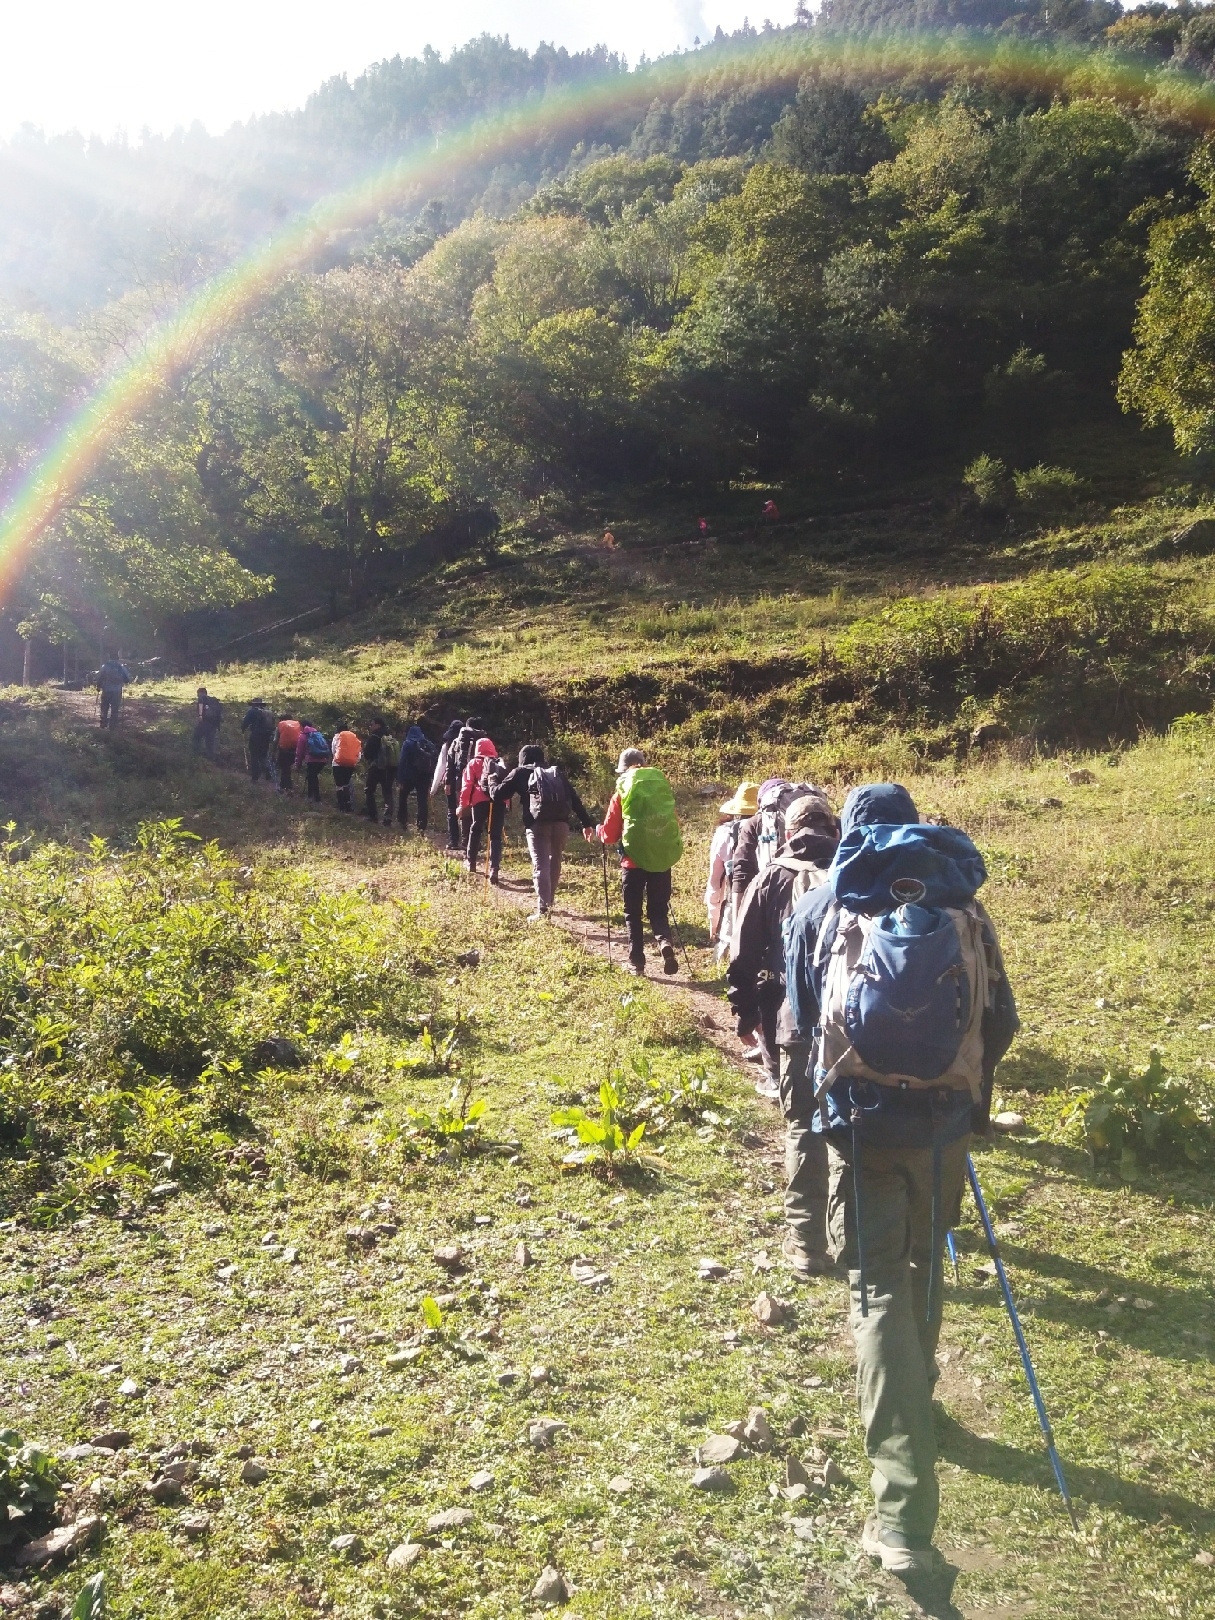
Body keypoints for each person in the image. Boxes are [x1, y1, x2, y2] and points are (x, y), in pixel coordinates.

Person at [783, 783, 1018, 1578]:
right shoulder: (962, 909)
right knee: (924, 1266)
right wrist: (966, 1096)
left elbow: (802, 1013)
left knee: (877, 1285)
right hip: (943, 1130)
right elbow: (1002, 1021)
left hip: (860, 1129)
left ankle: (901, 1520)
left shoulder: (823, 904)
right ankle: (921, 1392)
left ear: (849, 833)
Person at [727, 796, 839, 1267]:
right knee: (848, 1127)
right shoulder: (857, 875)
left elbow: (744, 950)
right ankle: (851, 1231)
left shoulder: (773, 875)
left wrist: (745, 1012)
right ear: (833, 827)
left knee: (801, 1125)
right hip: (852, 1026)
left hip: (791, 1018)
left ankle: (808, 1243)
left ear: (789, 831)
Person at [586, 748, 683, 977]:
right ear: (643, 763)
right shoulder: (659, 785)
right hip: (661, 858)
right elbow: (673, 821)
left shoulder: (622, 789)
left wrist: (598, 831)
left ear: (624, 769)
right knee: (658, 911)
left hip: (632, 862)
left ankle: (636, 962)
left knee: (633, 913)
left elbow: (609, 834)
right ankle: (664, 943)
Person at [491, 744, 594, 920]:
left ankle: (543, 909)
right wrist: (586, 823)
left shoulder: (520, 772)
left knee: (541, 865)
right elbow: (574, 798)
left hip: (537, 824)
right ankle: (549, 902)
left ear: (523, 757)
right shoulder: (555, 772)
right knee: (555, 861)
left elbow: (497, 794)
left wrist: (492, 778)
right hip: (561, 823)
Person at [705, 781, 759, 960]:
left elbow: (716, 879)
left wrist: (714, 921)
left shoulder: (724, 832)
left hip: (733, 898)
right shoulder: (770, 829)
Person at [459, 737, 504, 880]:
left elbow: (466, 786)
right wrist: (506, 802)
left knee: (475, 829)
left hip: (479, 801)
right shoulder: (499, 763)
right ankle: (494, 869)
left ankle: (471, 862)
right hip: (498, 800)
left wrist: (463, 804)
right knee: (495, 835)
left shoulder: (473, 763)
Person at [446, 717, 486, 851]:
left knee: (464, 809)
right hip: (480, 781)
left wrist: (447, 782)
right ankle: (476, 841)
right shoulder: (484, 742)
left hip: (461, 779)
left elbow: (450, 763)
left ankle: (466, 841)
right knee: (478, 810)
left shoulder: (458, 741)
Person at [397, 720, 437, 833]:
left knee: (403, 797)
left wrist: (400, 779)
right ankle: (421, 826)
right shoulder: (428, 744)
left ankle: (403, 821)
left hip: (409, 776)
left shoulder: (408, 743)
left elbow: (403, 761)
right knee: (422, 801)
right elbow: (434, 760)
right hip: (424, 776)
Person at [432, 720, 463, 848]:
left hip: (451, 782)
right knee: (468, 812)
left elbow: (441, 766)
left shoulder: (447, 745)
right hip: (468, 781)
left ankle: (453, 841)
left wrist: (434, 788)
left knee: (452, 811)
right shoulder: (473, 743)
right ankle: (471, 842)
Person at [361, 719, 398, 824]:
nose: (370, 726)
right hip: (390, 768)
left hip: (376, 767)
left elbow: (368, 752)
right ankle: (388, 818)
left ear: (378, 725)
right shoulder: (390, 736)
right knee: (387, 792)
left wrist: (368, 758)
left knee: (369, 790)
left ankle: (372, 816)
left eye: (372, 724)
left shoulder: (375, 736)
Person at [295, 721, 331, 808]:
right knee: (313, 776)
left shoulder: (303, 736)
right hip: (322, 760)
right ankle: (314, 797)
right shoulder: (318, 734)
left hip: (311, 759)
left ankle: (313, 797)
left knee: (312, 777)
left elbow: (299, 752)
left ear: (302, 726)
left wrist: (298, 764)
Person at [240, 698, 276, 783]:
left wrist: (242, 729)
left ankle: (255, 777)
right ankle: (267, 771)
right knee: (263, 754)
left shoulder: (252, 711)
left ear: (253, 704)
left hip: (256, 736)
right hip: (266, 736)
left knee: (254, 755)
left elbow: (245, 723)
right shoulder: (268, 713)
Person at [329, 723, 362, 812]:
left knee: (339, 785)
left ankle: (341, 806)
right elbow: (358, 753)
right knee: (346, 784)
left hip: (337, 764)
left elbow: (333, 750)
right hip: (350, 764)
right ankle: (348, 805)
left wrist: (337, 758)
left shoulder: (337, 736)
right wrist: (354, 762)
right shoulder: (354, 738)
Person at [95, 658, 131, 730]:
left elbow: (99, 677)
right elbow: (127, 679)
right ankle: (113, 726)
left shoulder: (105, 666)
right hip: (117, 691)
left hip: (106, 690)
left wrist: (98, 686)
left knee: (104, 707)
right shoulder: (120, 667)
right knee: (115, 708)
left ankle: (103, 724)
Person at [273, 713, 301, 794]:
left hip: (284, 749)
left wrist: (273, 752)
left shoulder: (281, 725)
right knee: (287, 768)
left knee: (285, 768)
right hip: (295, 749)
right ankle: (284, 786)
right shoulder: (297, 724)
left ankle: (287, 788)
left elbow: (275, 740)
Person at [193, 687, 223, 760]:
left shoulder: (201, 698)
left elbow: (200, 706)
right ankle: (211, 757)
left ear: (199, 693)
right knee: (210, 741)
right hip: (213, 724)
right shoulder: (213, 700)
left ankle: (196, 755)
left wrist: (200, 716)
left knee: (196, 737)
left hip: (205, 723)